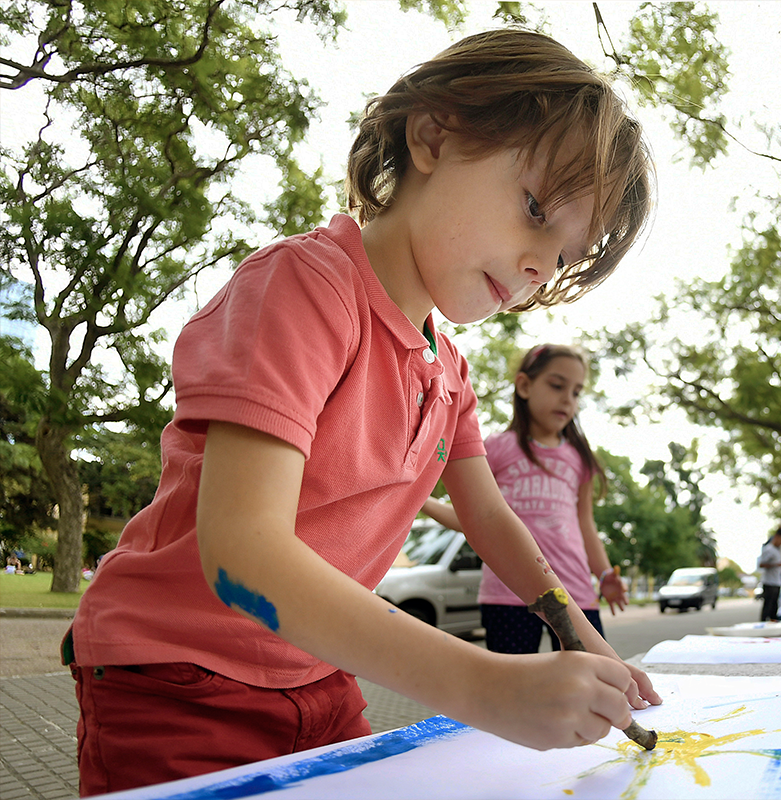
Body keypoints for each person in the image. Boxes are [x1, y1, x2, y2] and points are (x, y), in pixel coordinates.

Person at [63, 29, 659, 796]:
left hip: (321, 684)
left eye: (567, 258)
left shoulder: (450, 370)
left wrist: (581, 637)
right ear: (434, 136)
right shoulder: (305, 288)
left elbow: (490, 518)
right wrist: (488, 687)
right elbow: (242, 552)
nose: (543, 265)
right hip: (174, 680)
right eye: (537, 208)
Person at [421, 344, 627, 653]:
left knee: (591, 687)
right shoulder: (495, 447)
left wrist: (606, 574)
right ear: (525, 385)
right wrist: (423, 502)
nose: (567, 399)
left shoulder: (580, 459)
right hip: (507, 595)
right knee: (512, 696)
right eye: (557, 385)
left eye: (576, 392)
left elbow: (586, 525)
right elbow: (475, 517)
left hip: (575, 594)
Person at [757, 525, 781, 622]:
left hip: (777, 581)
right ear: (777, 537)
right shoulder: (769, 549)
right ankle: (762, 624)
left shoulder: (778, 550)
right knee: (768, 606)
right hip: (769, 582)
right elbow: (761, 564)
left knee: (775, 606)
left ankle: (773, 623)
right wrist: (775, 564)